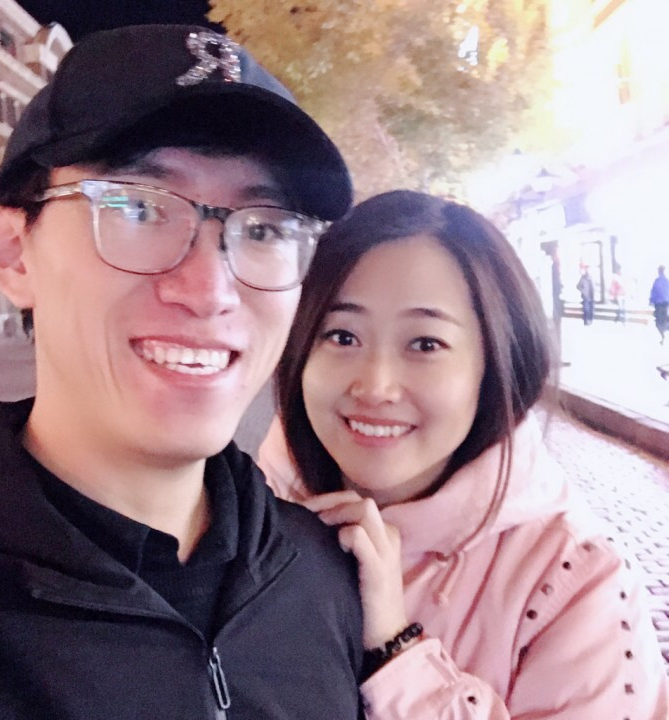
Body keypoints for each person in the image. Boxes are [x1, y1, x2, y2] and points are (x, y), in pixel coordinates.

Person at [0, 25, 365, 719]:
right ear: (13, 254)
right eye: (138, 208)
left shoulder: (321, 573)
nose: (210, 290)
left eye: (264, 229)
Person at [259, 191, 669, 718]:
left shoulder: (577, 582)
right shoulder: (238, 514)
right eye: (341, 336)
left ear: (496, 362)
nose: (376, 386)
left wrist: (395, 651)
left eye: (425, 344)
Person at [649, 265, 669, 345]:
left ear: (659, 271)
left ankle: (662, 336)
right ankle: (663, 334)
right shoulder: (666, 281)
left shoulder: (657, 281)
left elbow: (654, 292)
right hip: (666, 303)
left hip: (659, 303)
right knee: (664, 319)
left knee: (658, 322)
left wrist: (651, 301)